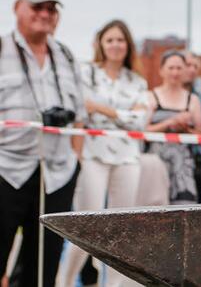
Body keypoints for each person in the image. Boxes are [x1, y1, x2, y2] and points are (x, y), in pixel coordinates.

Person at [0, 0, 86, 287]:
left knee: (43, 268)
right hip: (7, 171)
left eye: (52, 8)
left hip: (57, 175)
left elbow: (81, 117)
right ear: (17, 7)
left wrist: (76, 161)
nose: (45, 14)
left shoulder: (66, 55)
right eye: (37, 6)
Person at [55, 20, 148, 287]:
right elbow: (81, 112)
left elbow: (140, 121)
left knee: (121, 227)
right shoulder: (87, 73)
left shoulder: (137, 81)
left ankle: (115, 284)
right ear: (100, 44)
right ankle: (65, 281)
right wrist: (122, 115)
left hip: (127, 157)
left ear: (128, 45)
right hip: (93, 156)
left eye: (120, 40)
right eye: (110, 40)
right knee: (87, 225)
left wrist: (104, 110)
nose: (115, 45)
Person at [145, 50, 201, 205]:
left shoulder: (193, 100)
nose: (175, 72)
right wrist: (169, 123)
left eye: (179, 68)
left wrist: (185, 128)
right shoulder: (150, 97)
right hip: (155, 164)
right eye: (171, 68)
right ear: (161, 70)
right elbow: (142, 130)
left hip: (183, 168)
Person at [183, 51, 201, 204]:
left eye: (195, 67)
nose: (192, 70)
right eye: (188, 65)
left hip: (198, 163)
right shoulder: (160, 96)